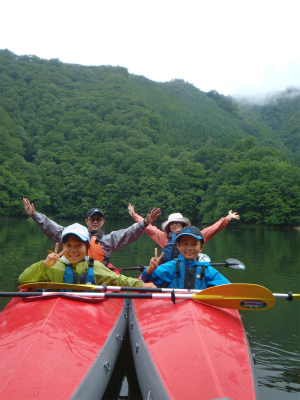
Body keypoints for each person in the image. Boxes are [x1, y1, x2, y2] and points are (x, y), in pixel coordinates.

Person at [23, 198, 161, 270]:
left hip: (96, 278)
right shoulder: (72, 235)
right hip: (71, 273)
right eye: (92, 219)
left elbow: (128, 233)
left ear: (103, 222)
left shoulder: (109, 240)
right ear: (86, 221)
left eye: (98, 219)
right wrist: (34, 215)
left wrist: (145, 222)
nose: (95, 222)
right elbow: (51, 227)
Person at [19, 223, 156, 289]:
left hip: (87, 313)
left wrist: (142, 285)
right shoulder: (52, 266)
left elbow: (118, 280)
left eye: (79, 245)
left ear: (87, 248)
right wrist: (44, 265)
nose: (73, 250)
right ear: (62, 247)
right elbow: (23, 279)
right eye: (69, 245)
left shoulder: (95, 266)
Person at [128, 204, 240, 264]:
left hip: (190, 269)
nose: (174, 225)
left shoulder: (195, 236)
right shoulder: (164, 237)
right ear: (168, 226)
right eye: (172, 223)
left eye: (177, 223)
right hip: (169, 270)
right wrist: (134, 215)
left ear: (183, 225)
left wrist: (228, 218)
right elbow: (149, 228)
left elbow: (213, 229)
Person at [141, 226, 230, 289]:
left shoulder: (208, 270)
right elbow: (145, 278)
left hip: (199, 310)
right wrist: (150, 269)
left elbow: (228, 288)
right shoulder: (171, 266)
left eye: (194, 244)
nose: (189, 248)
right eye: (185, 244)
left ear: (201, 247)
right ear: (178, 246)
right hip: (176, 310)